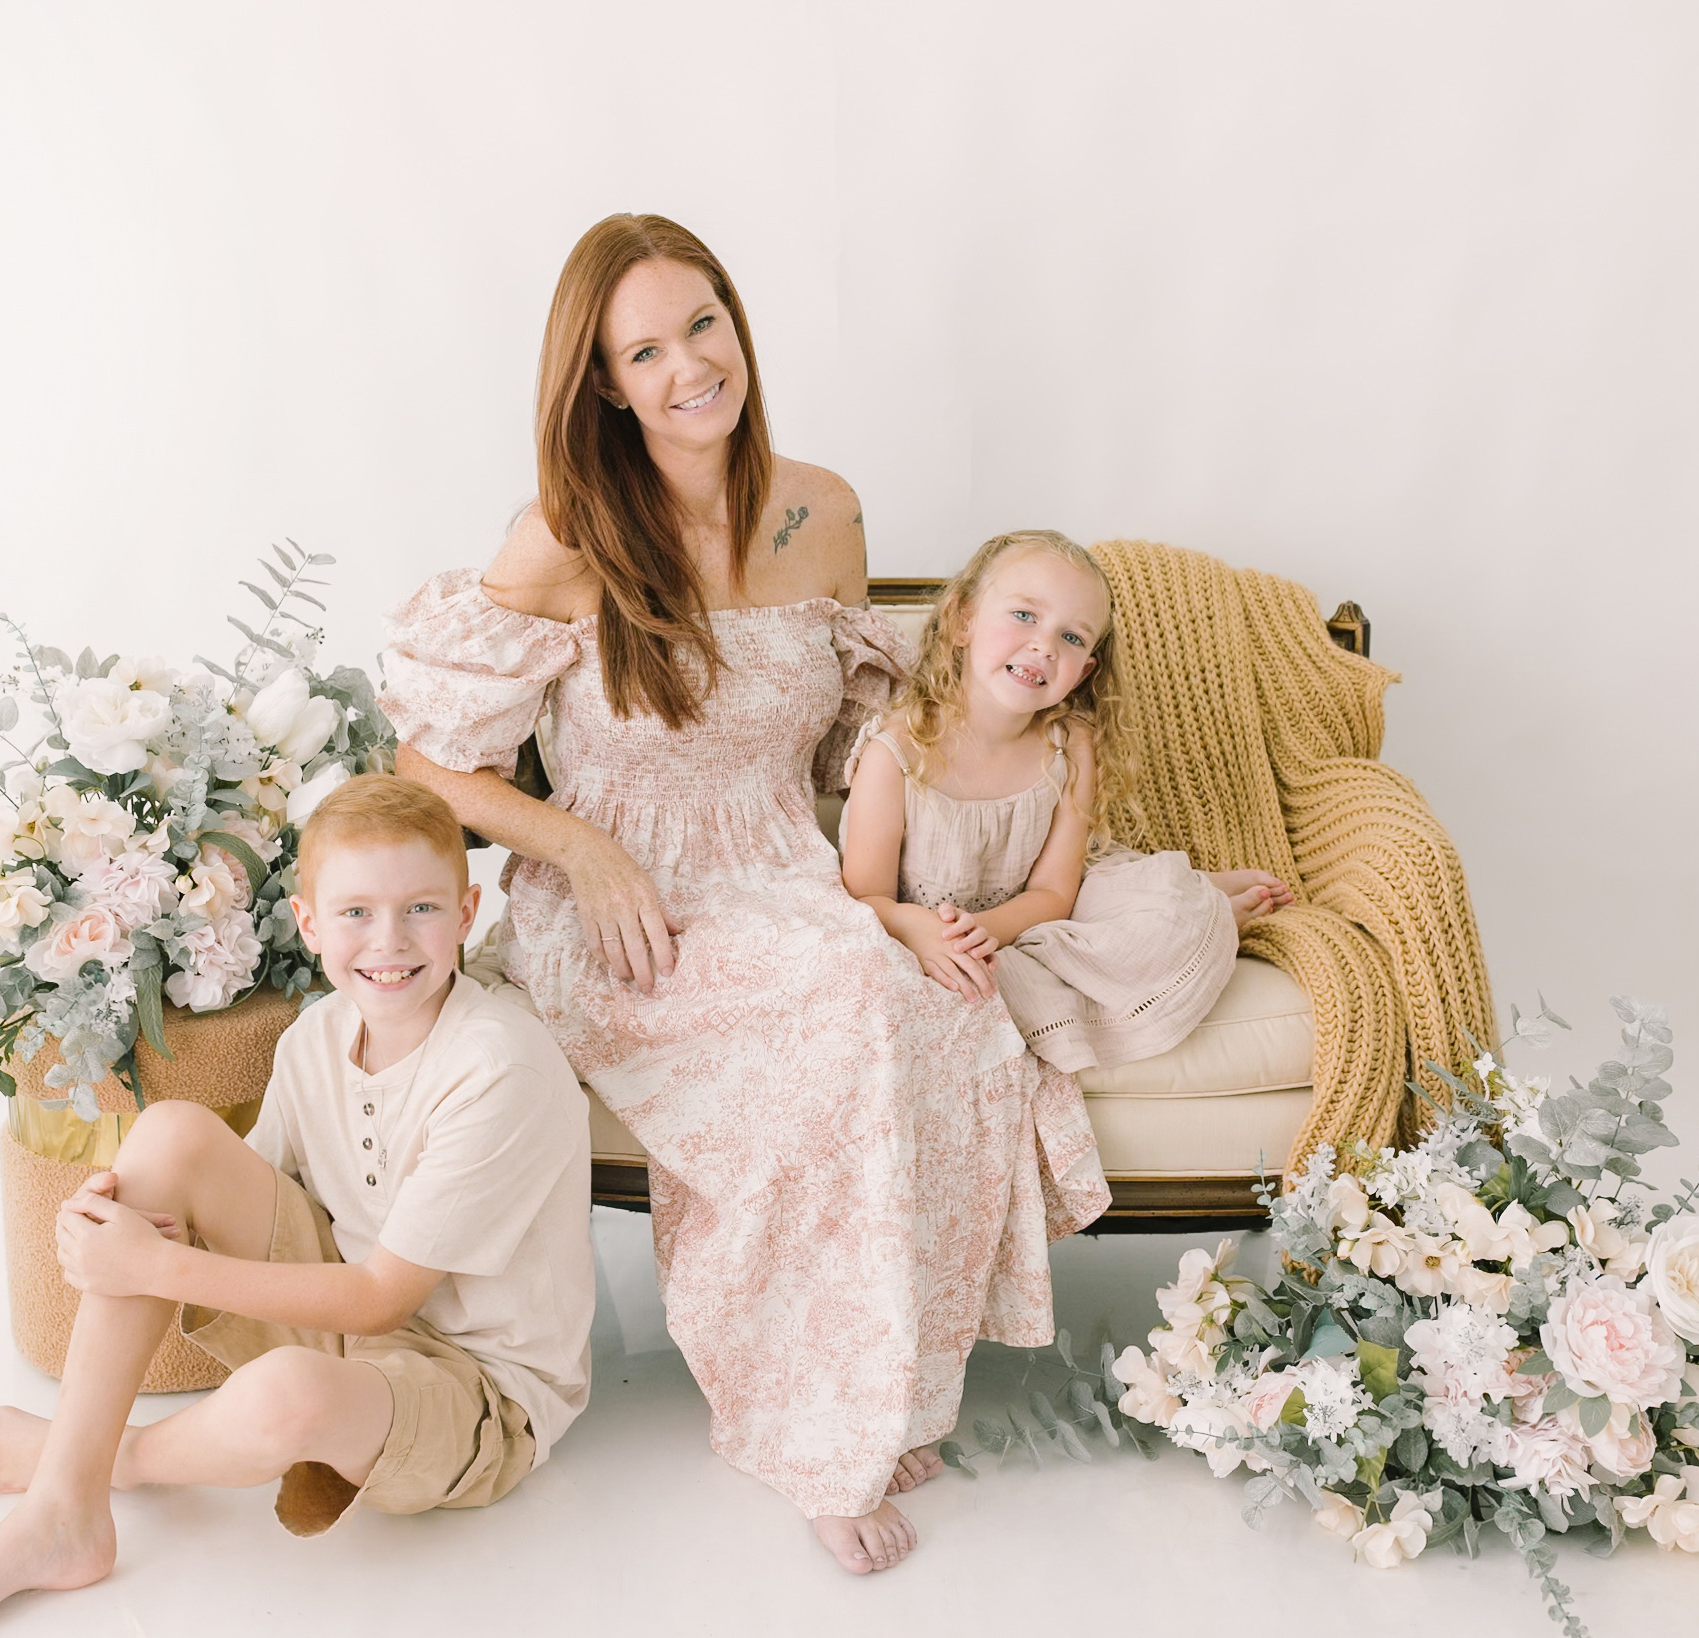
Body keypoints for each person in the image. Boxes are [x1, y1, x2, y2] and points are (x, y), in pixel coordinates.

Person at [385, 213, 1107, 1575]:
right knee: (842, 998)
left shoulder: (819, 509)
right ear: (602, 381)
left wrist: (973, 851)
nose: (685, 368)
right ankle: (807, 1429)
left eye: (700, 326)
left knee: (934, 997)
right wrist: (585, 851)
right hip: (622, 899)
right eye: (642, 351)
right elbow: (429, 757)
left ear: (737, 325)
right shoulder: (567, 532)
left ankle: (888, 1380)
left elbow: (864, 741)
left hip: (782, 866)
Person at [0, 775, 594, 1638]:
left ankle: (109, 1460)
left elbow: (381, 1298)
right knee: (170, 1135)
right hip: (349, 1308)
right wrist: (115, 1216)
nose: (388, 940)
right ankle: (62, 1513)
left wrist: (157, 1264)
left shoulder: (496, 1067)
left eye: (420, 909)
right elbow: (227, 1195)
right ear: (307, 923)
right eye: (355, 913)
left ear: (466, 911)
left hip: (476, 1388)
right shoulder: (316, 1038)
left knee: (282, 1394)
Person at [839, 530, 1294, 1073]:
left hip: (1039, 913)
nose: (1045, 646)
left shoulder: (1068, 744)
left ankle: (1206, 901)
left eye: (1073, 638)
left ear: (1084, 672)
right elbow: (864, 897)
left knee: (1171, 916)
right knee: (944, 993)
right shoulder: (896, 755)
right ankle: (1202, 891)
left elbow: (1056, 892)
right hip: (937, 929)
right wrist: (919, 929)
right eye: (1025, 616)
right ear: (962, 621)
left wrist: (993, 930)